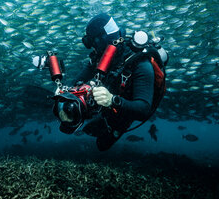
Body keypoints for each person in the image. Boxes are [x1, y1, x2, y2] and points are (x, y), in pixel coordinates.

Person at [55, 13, 168, 151]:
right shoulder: (99, 58)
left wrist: (112, 100)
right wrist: (66, 92)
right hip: (107, 103)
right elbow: (79, 79)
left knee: (102, 145)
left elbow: (144, 109)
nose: (93, 49)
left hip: (126, 109)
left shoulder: (140, 64)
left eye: (94, 44)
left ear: (100, 41)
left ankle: (112, 128)